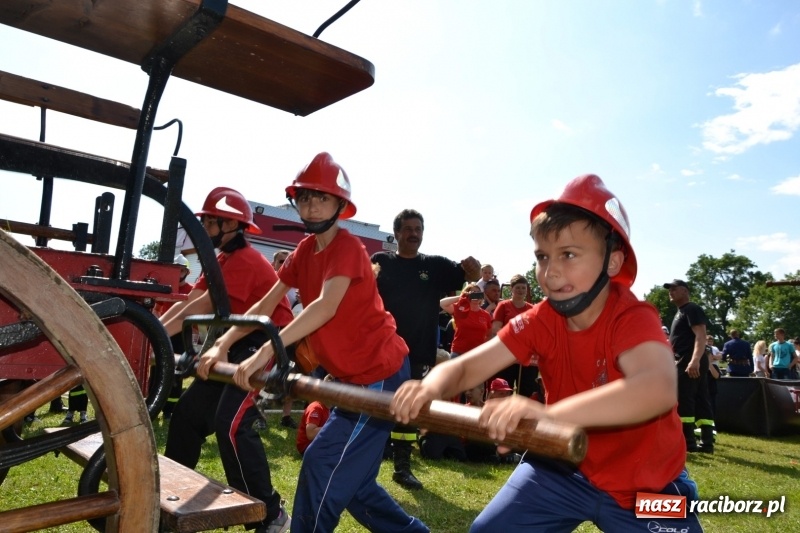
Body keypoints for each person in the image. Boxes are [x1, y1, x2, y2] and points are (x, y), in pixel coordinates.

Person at [390, 174, 701, 531]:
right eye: (542, 256)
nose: (550, 272)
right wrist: (429, 387)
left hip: (649, 483)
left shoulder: (634, 317)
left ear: (612, 262)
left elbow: (655, 390)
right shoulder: (540, 319)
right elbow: (465, 369)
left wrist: (547, 415)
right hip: (560, 469)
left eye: (568, 254)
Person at [200, 153, 429, 533]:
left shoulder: (348, 248)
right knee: (354, 484)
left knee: (322, 463)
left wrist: (263, 351)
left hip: (381, 373)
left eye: (320, 198)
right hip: (347, 378)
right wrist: (221, 344)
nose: (311, 205)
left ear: (340, 204)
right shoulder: (304, 251)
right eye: (304, 198)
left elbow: (324, 306)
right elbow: (266, 303)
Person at [160, 187, 294, 533]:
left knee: (231, 424)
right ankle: (171, 499)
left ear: (229, 225)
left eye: (208, 222)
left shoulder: (246, 261)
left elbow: (199, 308)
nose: (203, 227)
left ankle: (270, 514)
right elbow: (188, 303)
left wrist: (155, 338)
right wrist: (153, 331)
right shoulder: (220, 260)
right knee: (187, 416)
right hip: (237, 345)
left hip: (268, 344)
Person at [371, 208, 480, 490]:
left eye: (418, 229)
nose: (414, 234)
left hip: (418, 352)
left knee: (408, 410)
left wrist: (474, 270)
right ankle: (365, 459)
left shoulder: (434, 266)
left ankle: (402, 467)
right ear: (396, 233)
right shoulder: (381, 261)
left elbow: (468, 276)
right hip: (381, 350)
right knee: (372, 404)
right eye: (408, 229)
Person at [665, 278, 715, 454]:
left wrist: (694, 360)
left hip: (689, 361)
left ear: (685, 291)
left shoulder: (692, 309)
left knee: (685, 400)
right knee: (701, 399)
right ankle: (707, 443)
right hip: (687, 360)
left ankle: (688, 442)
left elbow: (700, 336)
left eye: (674, 289)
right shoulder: (681, 311)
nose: (670, 292)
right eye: (669, 289)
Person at [151, 254, 196, 420]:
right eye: (176, 270)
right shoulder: (166, 288)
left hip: (182, 335)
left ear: (186, 272)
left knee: (177, 371)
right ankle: (153, 403)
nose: (178, 273)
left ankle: (170, 410)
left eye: (181, 270)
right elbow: (156, 310)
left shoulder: (192, 291)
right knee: (156, 369)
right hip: (163, 332)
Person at [491, 274, 537, 398]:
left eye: (523, 288)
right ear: (511, 289)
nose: (521, 291)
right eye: (518, 288)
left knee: (526, 392)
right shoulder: (503, 306)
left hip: (526, 357)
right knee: (504, 390)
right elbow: (496, 328)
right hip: (506, 354)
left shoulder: (532, 309)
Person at [441, 284, 492, 358]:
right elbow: (442, 303)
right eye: (473, 292)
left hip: (477, 354)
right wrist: (462, 297)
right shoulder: (460, 309)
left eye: (478, 293)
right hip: (458, 353)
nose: (475, 295)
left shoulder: (486, 315)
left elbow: (489, 335)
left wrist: (483, 350)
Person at [296, 374, 334, 455]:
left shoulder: (329, 408)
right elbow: (310, 433)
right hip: (307, 447)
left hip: (317, 444)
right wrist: (333, 426)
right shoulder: (316, 408)